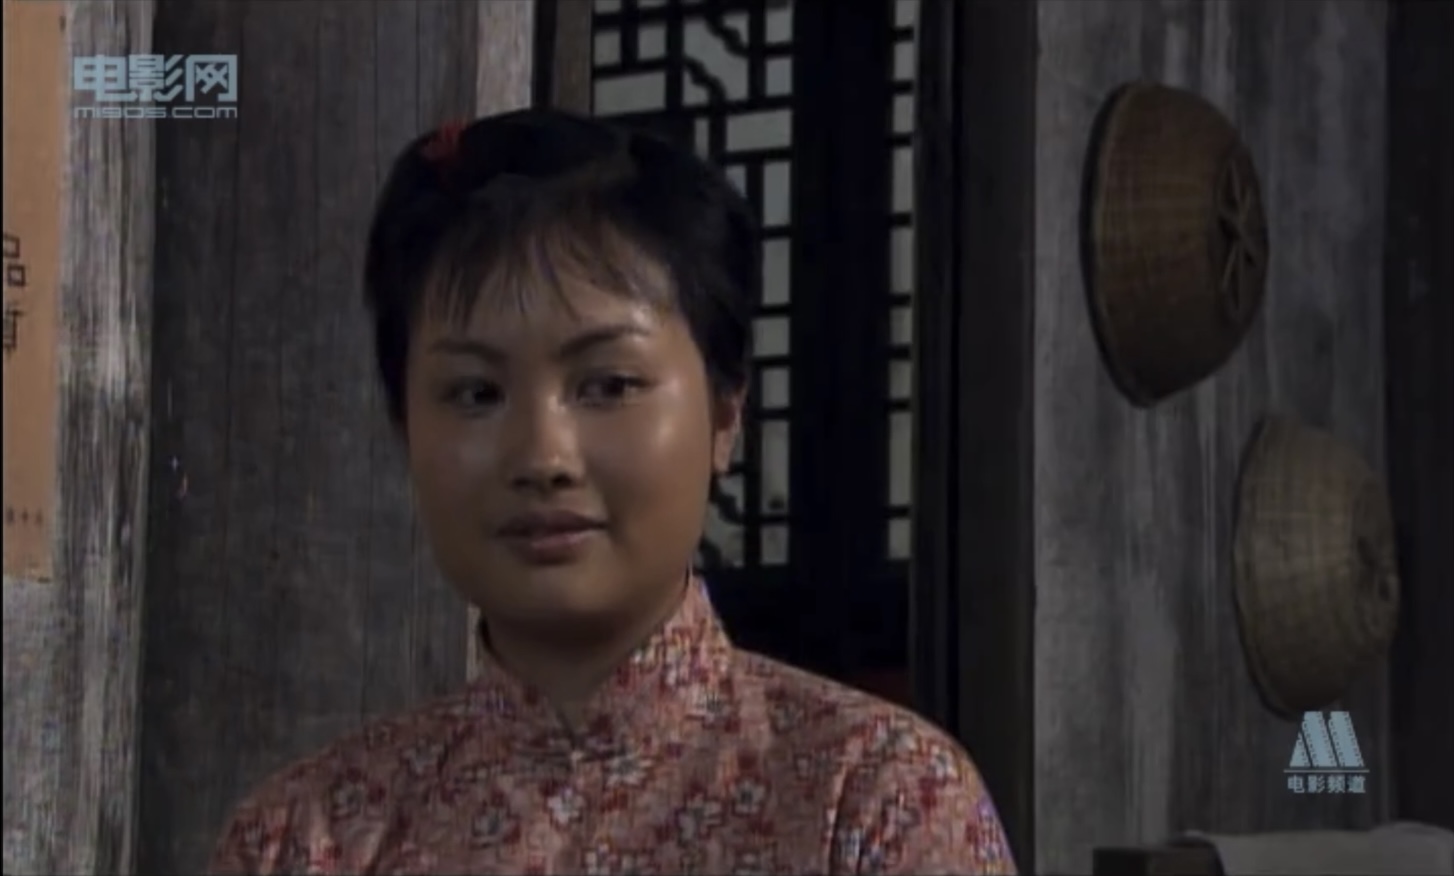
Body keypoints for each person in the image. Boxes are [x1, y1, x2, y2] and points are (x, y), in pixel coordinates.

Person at [208, 109, 1016, 876]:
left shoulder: (876, 800)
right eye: (476, 394)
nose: (543, 457)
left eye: (608, 385)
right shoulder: (302, 841)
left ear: (725, 414)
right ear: (404, 426)